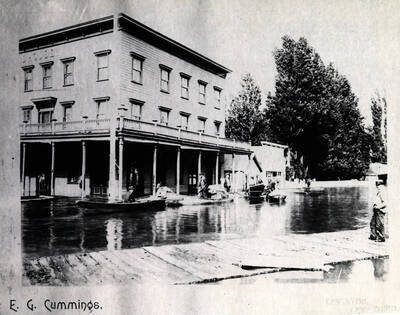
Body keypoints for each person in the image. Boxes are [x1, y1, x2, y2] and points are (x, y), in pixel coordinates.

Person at [369, 176, 387, 242]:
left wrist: (378, 207)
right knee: (372, 223)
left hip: (380, 211)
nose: (378, 187)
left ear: (382, 186)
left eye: (379, 185)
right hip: (376, 210)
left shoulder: (382, 193)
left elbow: (385, 203)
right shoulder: (379, 192)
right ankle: (374, 235)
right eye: (377, 185)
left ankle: (381, 237)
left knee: (379, 225)